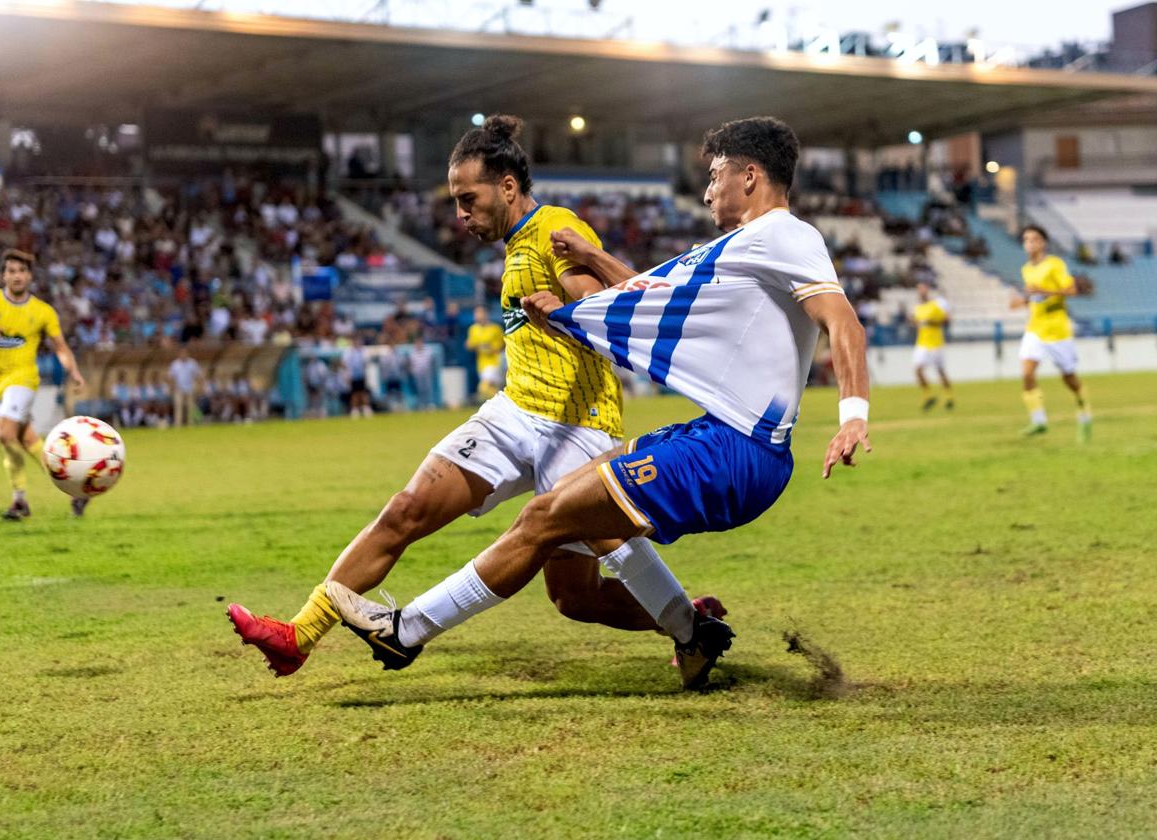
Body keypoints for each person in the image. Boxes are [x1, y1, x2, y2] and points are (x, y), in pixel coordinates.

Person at [326, 116, 872, 689]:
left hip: (737, 451)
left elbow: (845, 323)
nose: (707, 190)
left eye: (715, 176)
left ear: (751, 176)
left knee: (543, 518)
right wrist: (587, 264)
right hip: (714, 437)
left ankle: (404, 632)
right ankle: (694, 635)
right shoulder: (738, 248)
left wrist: (852, 416)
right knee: (564, 506)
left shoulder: (787, 236)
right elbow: (650, 300)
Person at [227, 114, 720, 680]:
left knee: (575, 597)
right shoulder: (515, 245)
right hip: (514, 413)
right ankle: (299, 634)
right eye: (456, 201)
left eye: (469, 198)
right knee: (405, 510)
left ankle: (689, 622)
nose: (460, 214)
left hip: (576, 424)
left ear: (507, 187)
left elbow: (603, 304)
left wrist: (569, 315)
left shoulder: (552, 227)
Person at [0, 249, 88, 519]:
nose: (17, 276)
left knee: (5, 433)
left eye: (22, 271)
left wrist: (74, 372)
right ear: (3, 275)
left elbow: (61, 347)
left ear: (29, 276)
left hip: (24, 379)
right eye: (11, 271)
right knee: (28, 441)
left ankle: (19, 501)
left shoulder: (43, 312)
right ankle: (76, 491)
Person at [1010, 225, 1091, 441]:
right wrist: (1023, 301)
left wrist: (1043, 292)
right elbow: (1035, 297)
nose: (1030, 243)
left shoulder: (1055, 264)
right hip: (1035, 329)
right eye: (1026, 239)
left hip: (1057, 331)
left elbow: (1072, 291)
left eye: (1034, 239)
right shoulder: (1026, 269)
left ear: (1043, 243)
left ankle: (1084, 413)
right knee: (1027, 373)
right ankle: (1039, 421)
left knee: (1069, 378)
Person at [910, 283, 953, 411]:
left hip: (936, 343)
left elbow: (946, 320)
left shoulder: (934, 306)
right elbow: (916, 323)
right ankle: (928, 396)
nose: (921, 292)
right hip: (922, 343)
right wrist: (913, 323)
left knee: (940, 371)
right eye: (919, 290)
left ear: (927, 291)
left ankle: (949, 397)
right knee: (917, 370)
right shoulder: (917, 308)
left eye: (923, 289)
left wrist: (931, 322)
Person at [465, 304, 505, 400]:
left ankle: (501, 400)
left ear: (486, 314)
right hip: (481, 364)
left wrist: (484, 347)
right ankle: (501, 401)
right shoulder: (473, 329)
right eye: (476, 313)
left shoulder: (495, 328)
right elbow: (469, 345)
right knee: (492, 389)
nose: (477, 315)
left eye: (479, 312)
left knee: (483, 388)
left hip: (495, 363)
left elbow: (500, 347)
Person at [167, 345, 203, 427]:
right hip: (178, 388)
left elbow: (198, 375)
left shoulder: (192, 363)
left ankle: (191, 424)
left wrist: (200, 385)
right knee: (178, 407)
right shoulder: (175, 364)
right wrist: (171, 386)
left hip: (190, 388)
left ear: (187, 353)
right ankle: (178, 425)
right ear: (179, 354)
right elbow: (170, 377)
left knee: (191, 407)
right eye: (182, 353)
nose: (183, 355)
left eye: (185, 353)